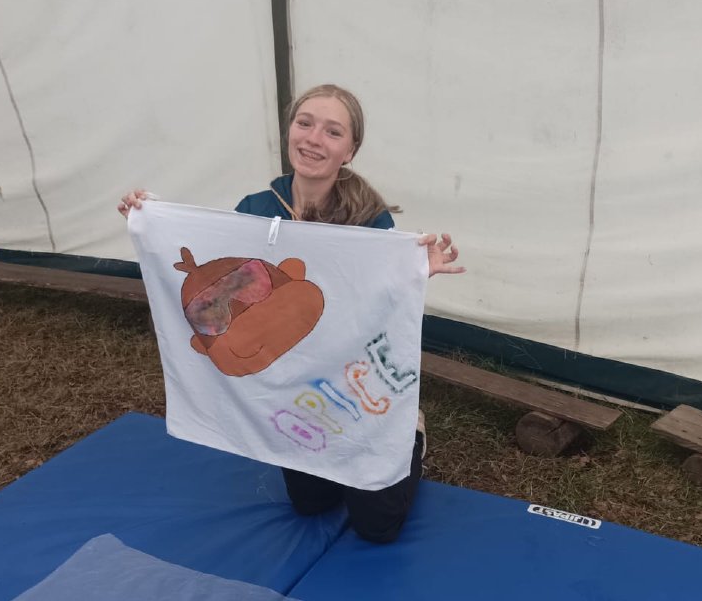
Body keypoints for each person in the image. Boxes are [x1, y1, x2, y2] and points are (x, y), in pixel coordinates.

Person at [119, 83, 463, 543]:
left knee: (377, 528)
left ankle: (411, 434)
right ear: (290, 130)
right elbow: (215, 272)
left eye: (332, 132)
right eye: (305, 123)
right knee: (310, 504)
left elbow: (377, 299)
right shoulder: (255, 209)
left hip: (348, 377)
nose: (314, 139)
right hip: (289, 385)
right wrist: (150, 219)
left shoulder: (370, 219)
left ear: (350, 150)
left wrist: (418, 268)